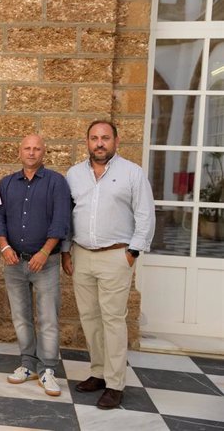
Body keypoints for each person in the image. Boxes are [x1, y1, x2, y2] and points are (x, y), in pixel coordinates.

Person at [61, 120, 155, 409]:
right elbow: (67, 215)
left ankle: (115, 384)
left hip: (117, 255)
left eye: (105, 138)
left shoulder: (132, 174)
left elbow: (145, 215)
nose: (99, 143)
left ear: (116, 140)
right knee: (89, 318)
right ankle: (98, 373)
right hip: (82, 255)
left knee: (113, 320)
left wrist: (133, 253)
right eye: (94, 138)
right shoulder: (74, 174)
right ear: (87, 141)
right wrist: (66, 251)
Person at [0, 135, 71, 396]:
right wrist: (4, 247)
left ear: (44, 152)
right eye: (27, 148)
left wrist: (45, 252)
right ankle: (27, 364)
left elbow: (61, 221)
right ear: (19, 151)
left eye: (37, 148)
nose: (32, 152)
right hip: (14, 262)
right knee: (21, 317)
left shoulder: (56, 183)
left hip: (45, 263)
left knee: (48, 318)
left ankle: (48, 368)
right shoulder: (7, 183)